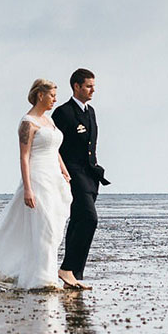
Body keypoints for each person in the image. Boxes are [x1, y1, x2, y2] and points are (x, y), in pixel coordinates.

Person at [0, 79, 75, 290]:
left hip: (54, 177)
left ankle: (45, 272)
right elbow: (24, 157)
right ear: (40, 95)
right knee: (43, 226)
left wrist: (63, 169)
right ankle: (43, 279)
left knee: (53, 228)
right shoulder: (28, 122)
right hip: (37, 178)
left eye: (55, 95)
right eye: (52, 95)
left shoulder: (49, 121)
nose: (55, 99)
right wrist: (27, 188)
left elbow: (54, 149)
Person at [54, 68, 108, 290]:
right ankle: (67, 267)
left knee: (78, 221)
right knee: (89, 219)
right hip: (71, 174)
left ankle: (74, 274)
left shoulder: (91, 111)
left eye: (93, 85)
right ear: (76, 86)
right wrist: (61, 173)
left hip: (91, 175)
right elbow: (54, 147)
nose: (92, 90)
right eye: (88, 86)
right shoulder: (62, 112)